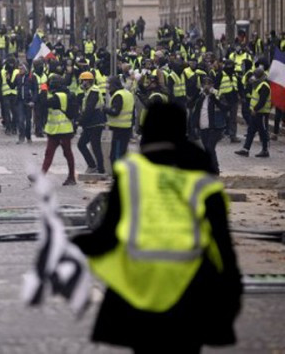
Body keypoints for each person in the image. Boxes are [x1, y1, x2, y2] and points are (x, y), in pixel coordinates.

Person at [73, 103, 241, 352]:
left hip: (140, 287)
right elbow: (222, 244)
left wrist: (74, 245)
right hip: (191, 290)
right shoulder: (203, 180)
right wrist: (230, 289)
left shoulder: (131, 172)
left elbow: (107, 236)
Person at [40, 75, 76, 185]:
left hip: (63, 130)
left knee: (67, 154)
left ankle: (71, 177)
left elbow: (44, 103)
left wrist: (43, 89)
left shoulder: (59, 96)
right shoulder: (62, 93)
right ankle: (41, 176)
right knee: (49, 153)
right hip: (55, 130)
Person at [192, 76, 228, 174]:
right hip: (203, 126)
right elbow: (193, 108)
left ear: (212, 85)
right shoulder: (200, 95)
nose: (206, 86)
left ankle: (215, 169)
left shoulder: (217, 94)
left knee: (210, 147)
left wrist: (213, 98)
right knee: (207, 148)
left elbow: (225, 107)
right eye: (204, 84)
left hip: (215, 126)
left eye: (209, 84)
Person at [235, 67, 271, 158]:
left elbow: (262, 101)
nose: (253, 77)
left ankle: (265, 150)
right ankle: (246, 149)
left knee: (263, 131)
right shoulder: (257, 84)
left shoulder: (264, 85)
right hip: (255, 112)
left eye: (256, 76)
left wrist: (255, 109)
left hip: (261, 113)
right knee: (251, 130)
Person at [77, 72, 105, 174]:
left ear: (87, 81)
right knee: (82, 144)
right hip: (91, 123)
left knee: (94, 145)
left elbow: (89, 109)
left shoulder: (93, 91)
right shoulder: (89, 91)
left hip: (95, 123)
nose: (81, 83)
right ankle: (93, 166)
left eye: (82, 80)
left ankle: (99, 169)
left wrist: (80, 121)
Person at [104, 76, 134, 163]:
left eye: (109, 84)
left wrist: (105, 109)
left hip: (118, 129)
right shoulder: (127, 93)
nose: (107, 86)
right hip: (127, 127)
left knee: (116, 155)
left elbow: (115, 112)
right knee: (122, 153)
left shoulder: (118, 95)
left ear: (113, 84)